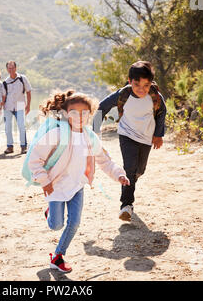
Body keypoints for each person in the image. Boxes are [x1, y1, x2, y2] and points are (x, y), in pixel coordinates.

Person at [27, 90, 130, 273]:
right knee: (56, 225)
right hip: (55, 187)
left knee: (74, 223)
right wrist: (44, 180)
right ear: (66, 113)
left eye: (85, 113)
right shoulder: (57, 134)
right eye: (74, 112)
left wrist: (118, 175)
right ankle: (51, 211)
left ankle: (58, 256)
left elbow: (105, 160)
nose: (80, 116)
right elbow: (34, 159)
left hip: (77, 186)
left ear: (90, 115)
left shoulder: (90, 137)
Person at [92, 61, 167, 222]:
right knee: (129, 167)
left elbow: (162, 112)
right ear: (129, 80)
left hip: (146, 137)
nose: (142, 89)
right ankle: (126, 205)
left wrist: (158, 135)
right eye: (137, 84)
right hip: (126, 134)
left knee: (140, 170)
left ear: (151, 83)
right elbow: (101, 107)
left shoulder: (154, 95)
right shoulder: (122, 94)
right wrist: (94, 130)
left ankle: (131, 180)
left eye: (146, 85)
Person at [2, 61, 32, 154]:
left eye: (12, 68)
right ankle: (10, 147)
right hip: (8, 106)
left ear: (16, 68)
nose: (11, 70)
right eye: (9, 68)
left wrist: (28, 105)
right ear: (7, 69)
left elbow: (28, 91)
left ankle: (23, 146)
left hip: (20, 105)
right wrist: (1, 107)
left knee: (21, 126)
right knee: (7, 127)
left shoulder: (23, 78)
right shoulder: (5, 82)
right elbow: (3, 96)